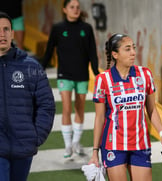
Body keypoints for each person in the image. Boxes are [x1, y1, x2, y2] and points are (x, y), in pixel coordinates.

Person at [88, 33, 162, 181]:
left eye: (133, 48)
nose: (133, 52)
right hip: (113, 145)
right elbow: (100, 118)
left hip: (140, 144)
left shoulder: (145, 75)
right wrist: (95, 152)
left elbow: (152, 110)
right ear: (115, 54)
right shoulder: (103, 80)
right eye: (127, 49)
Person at [0, 11, 55, 181]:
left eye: (6, 29)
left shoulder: (30, 66)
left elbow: (46, 104)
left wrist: (35, 136)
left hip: (23, 147)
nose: (2, 34)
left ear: (13, 33)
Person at [42, 0, 100, 158]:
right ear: (64, 10)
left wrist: (97, 74)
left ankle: (76, 142)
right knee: (66, 108)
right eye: (72, 7)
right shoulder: (58, 28)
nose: (75, 10)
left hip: (82, 75)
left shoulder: (86, 29)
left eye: (77, 7)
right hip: (64, 75)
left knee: (79, 108)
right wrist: (40, 69)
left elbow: (92, 54)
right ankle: (68, 146)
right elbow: (48, 52)